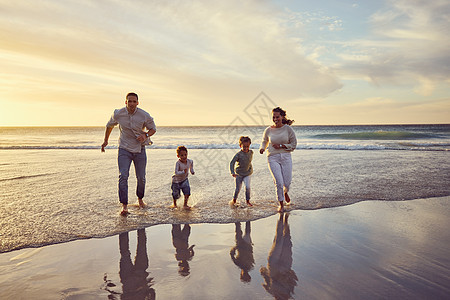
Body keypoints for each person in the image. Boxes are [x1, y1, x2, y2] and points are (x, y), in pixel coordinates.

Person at [101, 92, 156, 216]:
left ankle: (140, 199)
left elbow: (153, 128)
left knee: (141, 177)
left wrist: (145, 135)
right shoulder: (118, 114)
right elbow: (109, 126)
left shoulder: (144, 115)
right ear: (125, 102)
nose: (131, 103)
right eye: (129, 101)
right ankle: (124, 205)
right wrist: (105, 141)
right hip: (124, 149)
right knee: (123, 176)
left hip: (140, 149)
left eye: (134, 101)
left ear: (137, 102)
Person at [259, 107, 297, 212]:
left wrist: (281, 145)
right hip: (272, 157)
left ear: (282, 117)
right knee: (279, 182)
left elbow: (293, 144)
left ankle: (285, 192)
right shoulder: (268, 130)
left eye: (277, 117)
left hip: (286, 157)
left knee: (287, 183)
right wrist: (262, 148)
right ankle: (281, 204)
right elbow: (264, 141)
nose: (275, 119)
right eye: (274, 117)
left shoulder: (288, 129)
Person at [229, 136, 253, 207]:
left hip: (248, 173)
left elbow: (248, 161)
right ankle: (234, 200)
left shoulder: (251, 152)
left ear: (249, 145)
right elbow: (232, 163)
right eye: (244, 146)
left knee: (248, 187)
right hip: (239, 174)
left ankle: (248, 201)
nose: (246, 148)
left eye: (247, 146)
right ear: (240, 146)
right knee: (237, 189)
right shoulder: (238, 155)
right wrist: (232, 172)